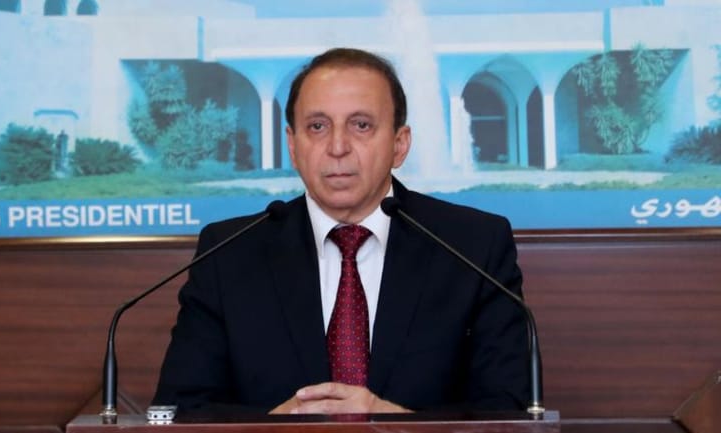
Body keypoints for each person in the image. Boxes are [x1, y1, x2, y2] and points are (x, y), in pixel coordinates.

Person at [153, 47, 530, 415]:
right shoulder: (229, 254)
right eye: (317, 127)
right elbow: (178, 409)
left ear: (399, 145)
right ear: (293, 145)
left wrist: (393, 422)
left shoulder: (473, 246)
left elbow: (510, 409)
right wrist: (274, 429)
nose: (337, 147)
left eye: (361, 125)